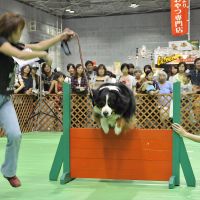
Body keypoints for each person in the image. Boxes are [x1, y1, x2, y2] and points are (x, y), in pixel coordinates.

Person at [0, 12, 74, 187]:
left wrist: (61, 36)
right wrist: (43, 55)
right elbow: (26, 54)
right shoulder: (1, 43)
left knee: (15, 135)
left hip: (5, 99)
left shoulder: (12, 43)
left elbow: (38, 44)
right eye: (20, 29)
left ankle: (9, 172)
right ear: (11, 29)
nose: (21, 33)